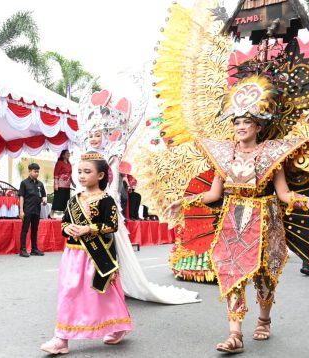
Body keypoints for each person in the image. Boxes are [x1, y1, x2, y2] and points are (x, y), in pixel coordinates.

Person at [166, 114, 309, 354]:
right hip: (232, 219)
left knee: (265, 275)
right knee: (231, 271)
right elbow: (213, 195)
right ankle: (235, 334)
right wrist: (184, 202)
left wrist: (307, 202)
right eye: (237, 123)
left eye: (247, 123)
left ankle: (264, 320)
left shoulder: (273, 155)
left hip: (265, 219)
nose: (241, 127)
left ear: (258, 127)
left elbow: (284, 194)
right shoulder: (224, 156)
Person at [76, 91, 199, 306]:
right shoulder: (84, 156)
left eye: (98, 134)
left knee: (109, 247)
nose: (94, 138)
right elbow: (78, 182)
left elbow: (113, 185)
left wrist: (105, 206)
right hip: (84, 205)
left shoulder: (112, 153)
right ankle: (89, 283)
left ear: (106, 134)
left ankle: (112, 283)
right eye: (91, 135)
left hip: (106, 206)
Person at [40, 152, 133, 355]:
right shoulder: (74, 200)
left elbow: (112, 225)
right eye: (79, 171)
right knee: (68, 293)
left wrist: (88, 229)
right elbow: (64, 222)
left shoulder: (106, 199)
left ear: (100, 176)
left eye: (87, 171)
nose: (81, 175)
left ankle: (119, 325)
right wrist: (68, 229)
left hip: (96, 255)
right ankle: (61, 338)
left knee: (103, 293)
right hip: (72, 256)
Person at [18, 163, 46, 257]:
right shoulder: (24, 183)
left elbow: (43, 195)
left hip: (37, 210)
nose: (37, 173)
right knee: (25, 229)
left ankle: (34, 249)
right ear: (29, 171)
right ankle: (22, 250)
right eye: (35, 171)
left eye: (38, 171)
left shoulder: (40, 184)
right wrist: (21, 211)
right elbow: (21, 197)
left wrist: (44, 199)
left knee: (35, 230)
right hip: (27, 210)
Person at [51, 149, 73, 215]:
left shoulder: (69, 164)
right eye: (67, 153)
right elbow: (55, 173)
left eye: (69, 153)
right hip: (60, 184)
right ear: (63, 155)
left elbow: (70, 174)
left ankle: (65, 214)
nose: (68, 154)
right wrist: (56, 184)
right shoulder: (59, 163)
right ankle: (51, 213)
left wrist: (73, 183)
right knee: (58, 199)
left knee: (66, 199)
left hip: (67, 184)